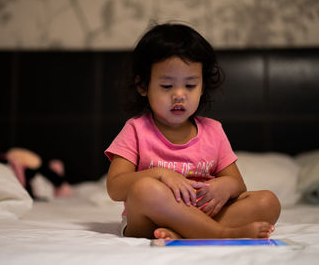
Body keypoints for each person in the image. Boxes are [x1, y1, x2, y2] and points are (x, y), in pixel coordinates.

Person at [104, 22, 281, 240]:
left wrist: (225, 186)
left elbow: (238, 185)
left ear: (203, 86)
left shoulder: (213, 131)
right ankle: (220, 234)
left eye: (190, 86)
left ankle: (184, 233)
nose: (179, 95)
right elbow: (115, 187)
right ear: (143, 86)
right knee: (144, 190)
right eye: (167, 86)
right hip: (150, 220)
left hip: (203, 213)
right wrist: (161, 174)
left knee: (268, 202)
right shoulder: (136, 130)